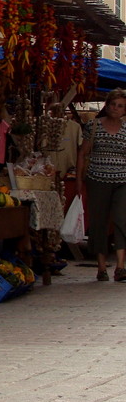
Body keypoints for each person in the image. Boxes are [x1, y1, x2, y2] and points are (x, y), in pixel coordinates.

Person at [76, 89, 126, 281]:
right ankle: (101, 266)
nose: (116, 108)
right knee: (99, 221)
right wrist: (80, 179)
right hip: (97, 179)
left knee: (122, 219)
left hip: (122, 180)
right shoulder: (93, 126)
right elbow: (82, 153)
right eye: (113, 104)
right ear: (107, 105)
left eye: (120, 106)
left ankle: (120, 267)